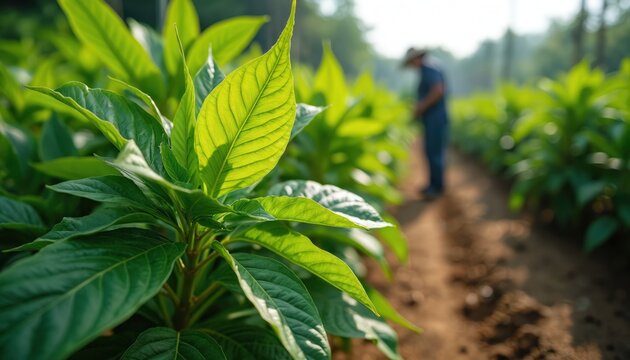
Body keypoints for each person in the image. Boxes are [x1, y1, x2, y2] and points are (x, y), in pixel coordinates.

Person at [403, 48, 449, 199]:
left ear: (416, 59)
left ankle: (437, 188)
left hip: (435, 118)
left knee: (434, 152)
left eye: (411, 63)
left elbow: (438, 90)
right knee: (430, 151)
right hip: (432, 118)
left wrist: (420, 107)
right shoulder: (429, 67)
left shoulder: (428, 68)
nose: (412, 67)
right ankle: (433, 184)